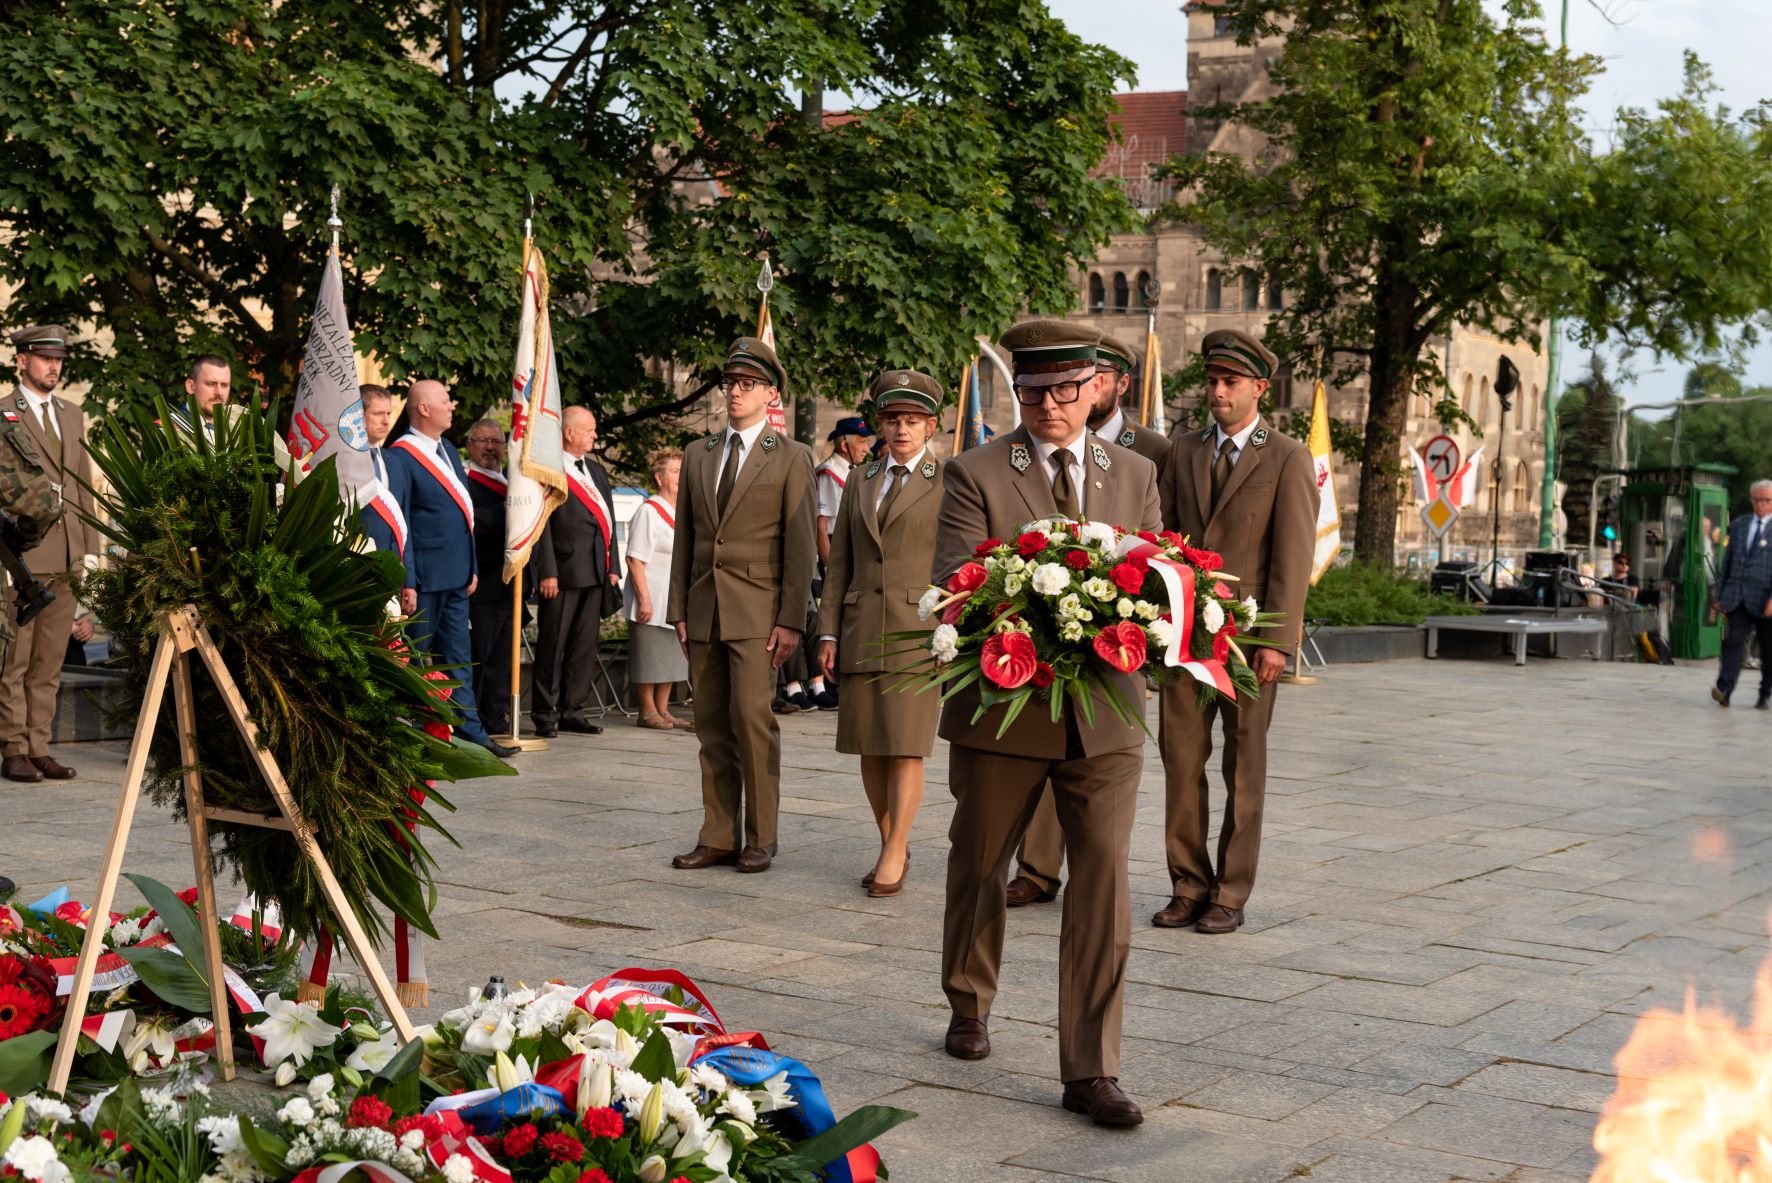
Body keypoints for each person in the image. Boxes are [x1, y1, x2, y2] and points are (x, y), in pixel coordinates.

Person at [933, 318, 1160, 1128]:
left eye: (1066, 389)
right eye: (1032, 390)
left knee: (1102, 878)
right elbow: (960, 581)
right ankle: (969, 996)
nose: (1049, 405)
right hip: (1006, 706)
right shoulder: (976, 470)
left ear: (1097, 386)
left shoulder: (1133, 470)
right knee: (980, 862)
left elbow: (1158, 568)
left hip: (1105, 714)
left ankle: (1091, 1070)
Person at [1152, 329, 1317, 934]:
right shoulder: (1183, 450)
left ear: (1259, 390)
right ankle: (1187, 884)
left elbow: (1293, 557)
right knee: (1180, 760)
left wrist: (1279, 640)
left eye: (1230, 383)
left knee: (1244, 766)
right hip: (1184, 635)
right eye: (1212, 382)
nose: (1217, 393)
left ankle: (1230, 891)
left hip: (1249, 642)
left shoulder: (1288, 458)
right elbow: (1163, 539)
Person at [667, 337, 817, 874]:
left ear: (770, 393)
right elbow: (687, 538)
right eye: (731, 383)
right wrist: (678, 610)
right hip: (705, 610)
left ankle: (761, 836)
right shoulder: (698, 453)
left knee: (753, 722)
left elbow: (800, 548)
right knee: (710, 725)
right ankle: (719, 833)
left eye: (748, 384)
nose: (735, 392)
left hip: (759, 613)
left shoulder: (792, 456)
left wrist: (791, 621)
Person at [815, 371, 946, 897]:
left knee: (905, 746)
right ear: (881, 424)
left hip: (921, 628)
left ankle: (893, 852)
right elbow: (840, 560)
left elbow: (962, 563)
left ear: (930, 425)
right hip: (861, 622)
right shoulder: (862, 480)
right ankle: (893, 837)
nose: (902, 430)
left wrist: (954, 631)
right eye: (893, 420)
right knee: (870, 746)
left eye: (913, 421)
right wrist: (827, 632)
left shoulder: (949, 478)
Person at [382, 380, 516, 758]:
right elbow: (401, 521)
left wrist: (471, 566)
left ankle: (470, 733)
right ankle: (408, 733)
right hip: (423, 578)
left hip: (457, 575)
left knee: (459, 658)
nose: (452, 405)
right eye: (445, 400)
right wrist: (406, 578)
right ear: (423, 409)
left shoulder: (449, 453)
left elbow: (464, 517)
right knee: (413, 658)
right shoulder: (401, 456)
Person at [0, 325, 98, 785]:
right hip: (22, 554)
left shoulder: (72, 415)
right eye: (44, 358)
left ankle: (40, 747)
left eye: (58, 359)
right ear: (22, 360)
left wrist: (91, 553)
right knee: (15, 660)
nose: (54, 367)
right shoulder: (3, 413)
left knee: (50, 660)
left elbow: (80, 485)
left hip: (67, 552)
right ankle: (13, 747)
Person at [531, 406, 622, 739]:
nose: (595, 436)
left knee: (585, 647)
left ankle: (573, 710)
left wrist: (612, 567)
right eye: (589, 430)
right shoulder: (547, 469)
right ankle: (544, 713)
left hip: (596, 571)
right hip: (562, 573)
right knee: (552, 646)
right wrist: (547, 572)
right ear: (568, 432)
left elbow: (608, 522)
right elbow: (542, 525)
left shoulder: (596, 471)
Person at [777, 418, 872, 713]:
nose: (867, 449)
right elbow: (822, 528)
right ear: (845, 443)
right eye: (862, 442)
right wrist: (833, 570)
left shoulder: (852, 473)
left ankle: (820, 683)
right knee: (815, 620)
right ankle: (809, 684)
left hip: (845, 553)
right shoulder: (830, 474)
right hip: (828, 556)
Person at [625, 448, 692, 731]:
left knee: (669, 657)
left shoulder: (683, 511)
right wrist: (645, 600)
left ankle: (663, 709)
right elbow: (634, 558)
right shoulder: (649, 510)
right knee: (649, 656)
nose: (680, 476)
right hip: (650, 597)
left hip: (672, 600)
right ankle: (647, 710)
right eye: (674, 471)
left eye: (682, 471)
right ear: (659, 477)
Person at [463, 418, 519, 740]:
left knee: (502, 659)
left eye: (497, 442)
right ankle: (474, 724)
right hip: (481, 582)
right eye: (483, 441)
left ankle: (495, 719)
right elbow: (475, 522)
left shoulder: (512, 481)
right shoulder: (464, 479)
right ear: (470, 444)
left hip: (510, 583)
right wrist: (513, 507)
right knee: (479, 657)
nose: (490, 448)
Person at [1711, 478, 1772, 710]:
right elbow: (1727, 563)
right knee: (1733, 642)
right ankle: (1724, 689)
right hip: (1738, 597)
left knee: (1768, 650)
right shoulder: (1739, 525)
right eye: (1757, 500)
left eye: (1766, 501)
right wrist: (1720, 595)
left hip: (1766, 600)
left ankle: (1765, 692)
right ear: (1751, 500)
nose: (1761, 505)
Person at [1090, 333, 1171, 466]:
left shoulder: (1157, 449)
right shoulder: (1056, 440)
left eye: (1098, 382)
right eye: (1083, 381)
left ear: (1122, 384)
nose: (1089, 391)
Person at [358, 385, 408, 565]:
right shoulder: (345, 461)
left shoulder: (395, 461)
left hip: (393, 566)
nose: (386, 421)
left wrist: (408, 579)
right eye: (378, 414)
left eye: (388, 413)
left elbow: (404, 517)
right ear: (358, 415)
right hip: (356, 565)